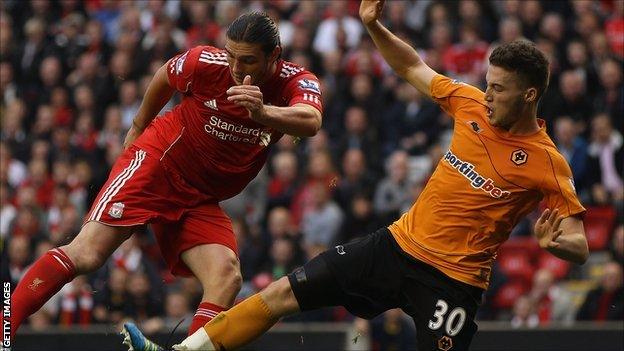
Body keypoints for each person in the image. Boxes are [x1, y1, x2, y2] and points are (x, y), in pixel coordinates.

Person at [123, 1, 588, 350]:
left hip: (455, 283)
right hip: (395, 247)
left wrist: (556, 245)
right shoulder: (470, 104)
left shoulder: (547, 162)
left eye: (499, 89)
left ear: (529, 95)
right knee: (283, 292)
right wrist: (373, 24)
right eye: (487, 83)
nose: (487, 95)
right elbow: (411, 66)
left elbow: (579, 244)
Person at [10, 12, 323, 339]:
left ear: (275, 55)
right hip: (158, 165)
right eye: (230, 55)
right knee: (88, 254)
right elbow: (164, 76)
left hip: (199, 197)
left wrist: (262, 112)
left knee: (226, 275)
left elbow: (311, 120)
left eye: (247, 60)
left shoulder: (295, 81)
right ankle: (5, 323)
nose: (235, 68)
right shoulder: (205, 63)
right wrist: (137, 125)